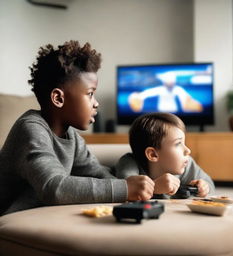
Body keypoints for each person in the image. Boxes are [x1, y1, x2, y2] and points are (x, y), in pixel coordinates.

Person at [0, 40, 154, 215]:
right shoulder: (30, 129)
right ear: (58, 98)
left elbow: (98, 173)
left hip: (43, 216)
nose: (96, 103)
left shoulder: (71, 136)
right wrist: (125, 188)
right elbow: (53, 187)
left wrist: (144, 189)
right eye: (90, 94)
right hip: (9, 220)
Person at [114, 112, 215, 198]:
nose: (187, 150)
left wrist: (205, 187)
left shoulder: (185, 164)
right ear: (153, 154)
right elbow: (125, 190)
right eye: (178, 144)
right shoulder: (128, 163)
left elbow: (210, 184)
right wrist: (155, 188)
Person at [128, 71, 203, 113]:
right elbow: (145, 94)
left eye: (172, 82)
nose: (170, 84)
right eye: (168, 82)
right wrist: (136, 97)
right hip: (161, 113)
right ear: (164, 82)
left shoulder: (178, 89)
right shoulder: (160, 89)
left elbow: (186, 100)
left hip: (174, 114)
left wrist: (192, 106)